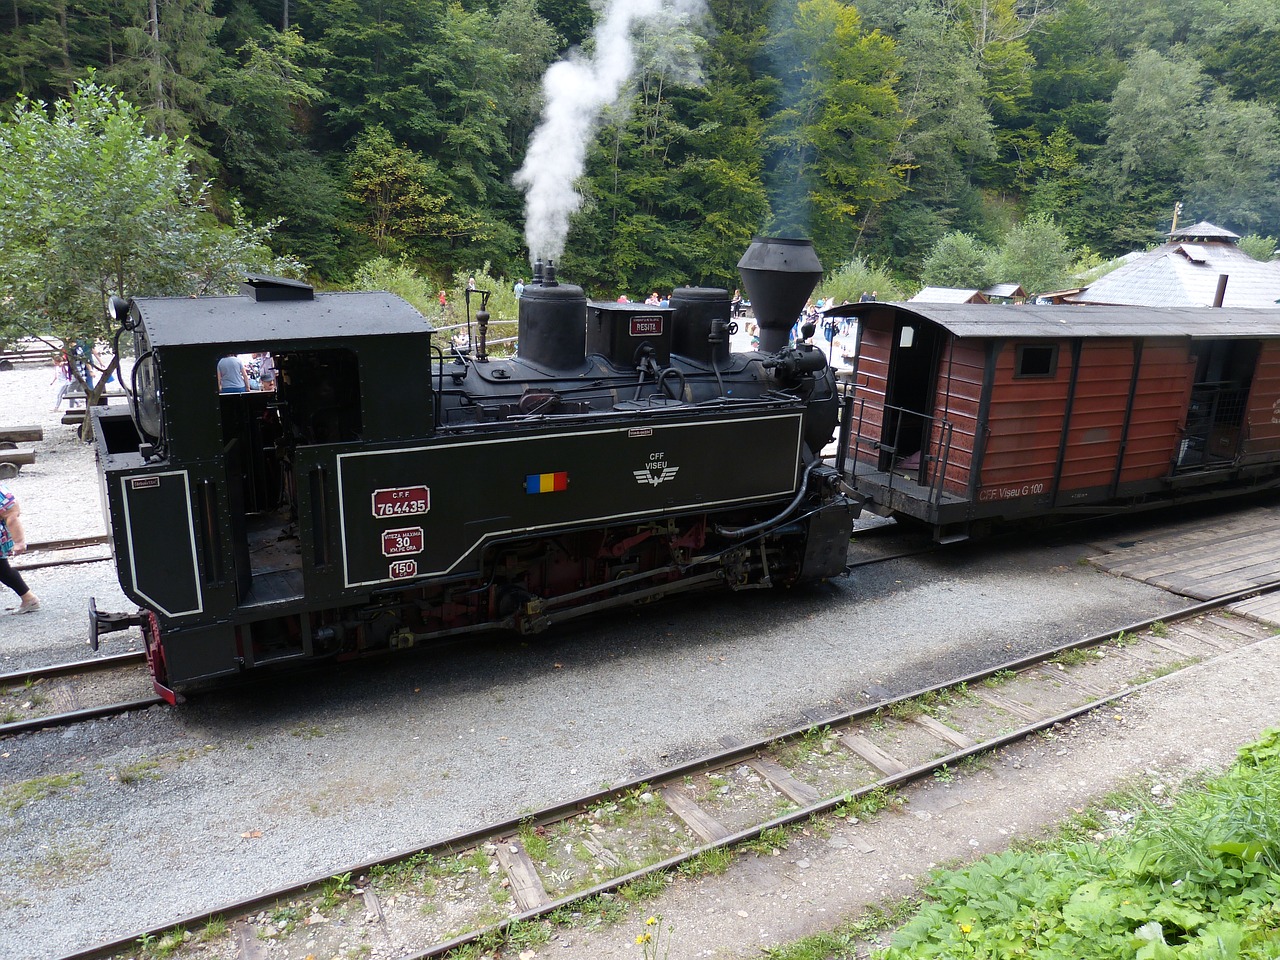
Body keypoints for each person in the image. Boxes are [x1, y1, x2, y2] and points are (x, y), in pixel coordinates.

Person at [0, 482, 39, 614]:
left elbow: (12, 517)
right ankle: (29, 599)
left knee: (3, 570)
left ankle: (29, 599)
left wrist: (19, 542)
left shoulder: (2, 495)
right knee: (3, 570)